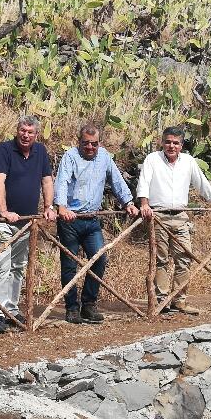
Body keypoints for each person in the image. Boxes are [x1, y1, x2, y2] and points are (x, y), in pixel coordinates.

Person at [136, 126, 211, 315]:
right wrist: (144, 204)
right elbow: (144, 182)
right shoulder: (152, 159)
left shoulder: (188, 161)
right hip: (158, 216)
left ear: (181, 145)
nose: (171, 146)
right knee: (161, 260)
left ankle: (179, 300)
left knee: (185, 258)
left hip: (180, 216)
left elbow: (202, 183)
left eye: (175, 143)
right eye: (168, 142)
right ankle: (162, 302)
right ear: (162, 142)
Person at [53, 125, 139, 324]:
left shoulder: (105, 157)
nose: (90, 147)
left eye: (94, 144)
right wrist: (62, 207)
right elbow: (62, 181)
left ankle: (89, 305)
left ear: (99, 143)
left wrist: (128, 202)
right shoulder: (70, 157)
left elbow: (116, 180)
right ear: (79, 142)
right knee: (69, 266)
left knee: (99, 259)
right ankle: (72, 308)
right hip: (70, 220)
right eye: (86, 143)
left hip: (92, 220)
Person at [0, 116, 56, 334]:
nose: (26, 135)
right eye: (22, 131)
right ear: (17, 131)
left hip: (26, 221)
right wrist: (4, 211)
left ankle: (11, 309)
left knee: (17, 266)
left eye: (30, 132)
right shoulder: (4, 150)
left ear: (36, 134)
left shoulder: (41, 152)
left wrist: (48, 206)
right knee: (1, 266)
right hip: (3, 220)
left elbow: (46, 180)